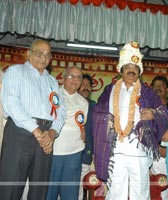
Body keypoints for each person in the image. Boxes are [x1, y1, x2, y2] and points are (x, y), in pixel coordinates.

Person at [92, 41, 168, 200]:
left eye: (135, 68)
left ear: (140, 71)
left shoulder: (148, 92)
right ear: (121, 69)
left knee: (140, 194)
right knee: (115, 193)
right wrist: (107, 121)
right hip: (115, 152)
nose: (131, 71)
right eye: (128, 67)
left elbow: (164, 114)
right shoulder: (110, 90)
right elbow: (97, 112)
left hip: (139, 151)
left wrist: (153, 114)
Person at [0, 39, 66, 200]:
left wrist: (51, 133)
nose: (43, 58)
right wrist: (36, 131)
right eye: (39, 53)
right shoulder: (16, 71)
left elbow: (61, 110)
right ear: (28, 54)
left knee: (40, 189)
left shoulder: (52, 81)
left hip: (46, 137)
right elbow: (12, 103)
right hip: (20, 132)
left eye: (48, 55)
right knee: (10, 187)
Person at [47, 66, 89, 200]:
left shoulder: (83, 102)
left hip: (74, 153)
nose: (75, 80)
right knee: (49, 193)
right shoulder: (53, 95)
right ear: (63, 78)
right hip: (53, 152)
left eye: (78, 77)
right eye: (71, 76)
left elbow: (81, 126)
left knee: (70, 194)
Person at [150, 75, 168, 200]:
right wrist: (157, 147)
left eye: (161, 86)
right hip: (152, 154)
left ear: (167, 89)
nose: (158, 89)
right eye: (155, 86)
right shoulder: (147, 108)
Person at [78, 74, 96, 200]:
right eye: (83, 84)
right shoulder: (70, 103)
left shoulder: (95, 107)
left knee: (92, 188)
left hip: (90, 156)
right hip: (72, 155)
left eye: (89, 85)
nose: (86, 88)